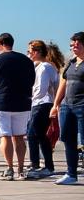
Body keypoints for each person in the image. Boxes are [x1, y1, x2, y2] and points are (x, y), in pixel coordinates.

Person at [0, 32, 36, 180]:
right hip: (23, 102)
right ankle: (20, 170)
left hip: (2, 102)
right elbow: (32, 80)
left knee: (5, 137)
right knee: (19, 137)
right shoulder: (26, 60)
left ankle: (9, 169)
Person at [48, 32, 84, 185]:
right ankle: (71, 174)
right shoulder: (70, 62)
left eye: (77, 44)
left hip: (82, 106)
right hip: (67, 106)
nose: (73, 47)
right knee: (68, 140)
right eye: (72, 45)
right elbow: (63, 84)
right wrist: (56, 104)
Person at [25, 40, 61, 179]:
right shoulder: (40, 66)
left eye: (30, 51)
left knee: (35, 134)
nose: (28, 54)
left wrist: (29, 98)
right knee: (37, 134)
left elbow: (41, 89)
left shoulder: (45, 67)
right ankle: (38, 163)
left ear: (37, 52)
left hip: (42, 103)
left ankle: (43, 165)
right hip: (39, 103)